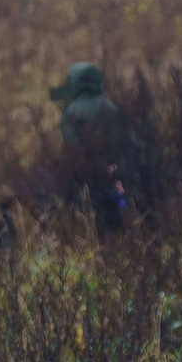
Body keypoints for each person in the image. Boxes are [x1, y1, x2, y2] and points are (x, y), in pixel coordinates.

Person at [51, 61, 130, 234]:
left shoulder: (70, 114)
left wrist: (96, 169)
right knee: (119, 226)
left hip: (85, 184)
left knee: (90, 228)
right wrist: (115, 170)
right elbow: (121, 144)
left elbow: (74, 150)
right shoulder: (110, 108)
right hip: (114, 179)